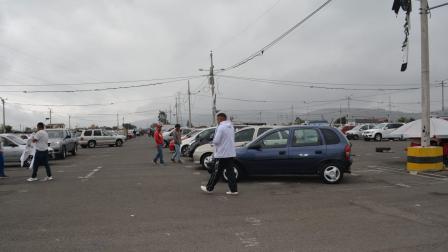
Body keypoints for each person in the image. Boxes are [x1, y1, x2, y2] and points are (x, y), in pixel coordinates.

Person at [201, 113, 238, 195]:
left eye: (217, 119)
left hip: (222, 154)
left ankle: (209, 188)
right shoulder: (231, 127)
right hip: (230, 153)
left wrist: (212, 142)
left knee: (216, 171)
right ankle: (233, 190)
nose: (217, 121)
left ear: (221, 119)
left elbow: (216, 140)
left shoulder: (221, 127)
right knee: (230, 172)